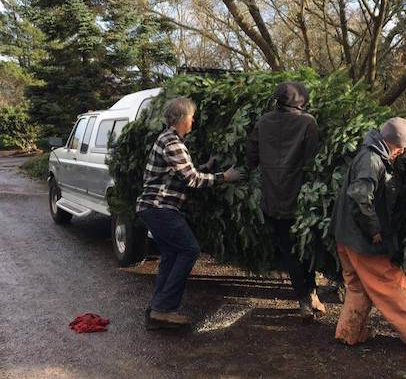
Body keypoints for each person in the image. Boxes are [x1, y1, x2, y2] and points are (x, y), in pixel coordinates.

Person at [331, 117, 406, 350]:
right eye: (402, 149)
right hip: (363, 241)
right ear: (399, 146)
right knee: (392, 286)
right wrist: (374, 230)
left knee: (358, 286)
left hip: (345, 236)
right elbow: (361, 196)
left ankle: (349, 333)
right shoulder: (372, 160)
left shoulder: (368, 152)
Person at [136, 97, 242, 329]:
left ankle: (157, 309)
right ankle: (164, 310)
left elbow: (182, 172)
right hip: (160, 207)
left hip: (154, 208)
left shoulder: (169, 140)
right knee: (189, 250)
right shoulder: (172, 142)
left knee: (171, 255)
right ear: (182, 118)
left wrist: (207, 165)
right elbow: (191, 179)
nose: (193, 121)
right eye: (192, 116)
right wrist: (224, 177)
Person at [246, 81, 326, 318]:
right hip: (301, 201)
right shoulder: (308, 122)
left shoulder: (263, 122)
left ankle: (304, 299)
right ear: (301, 101)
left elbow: (251, 158)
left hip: (272, 199)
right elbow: (313, 160)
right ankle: (311, 296)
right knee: (307, 249)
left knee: (289, 251)